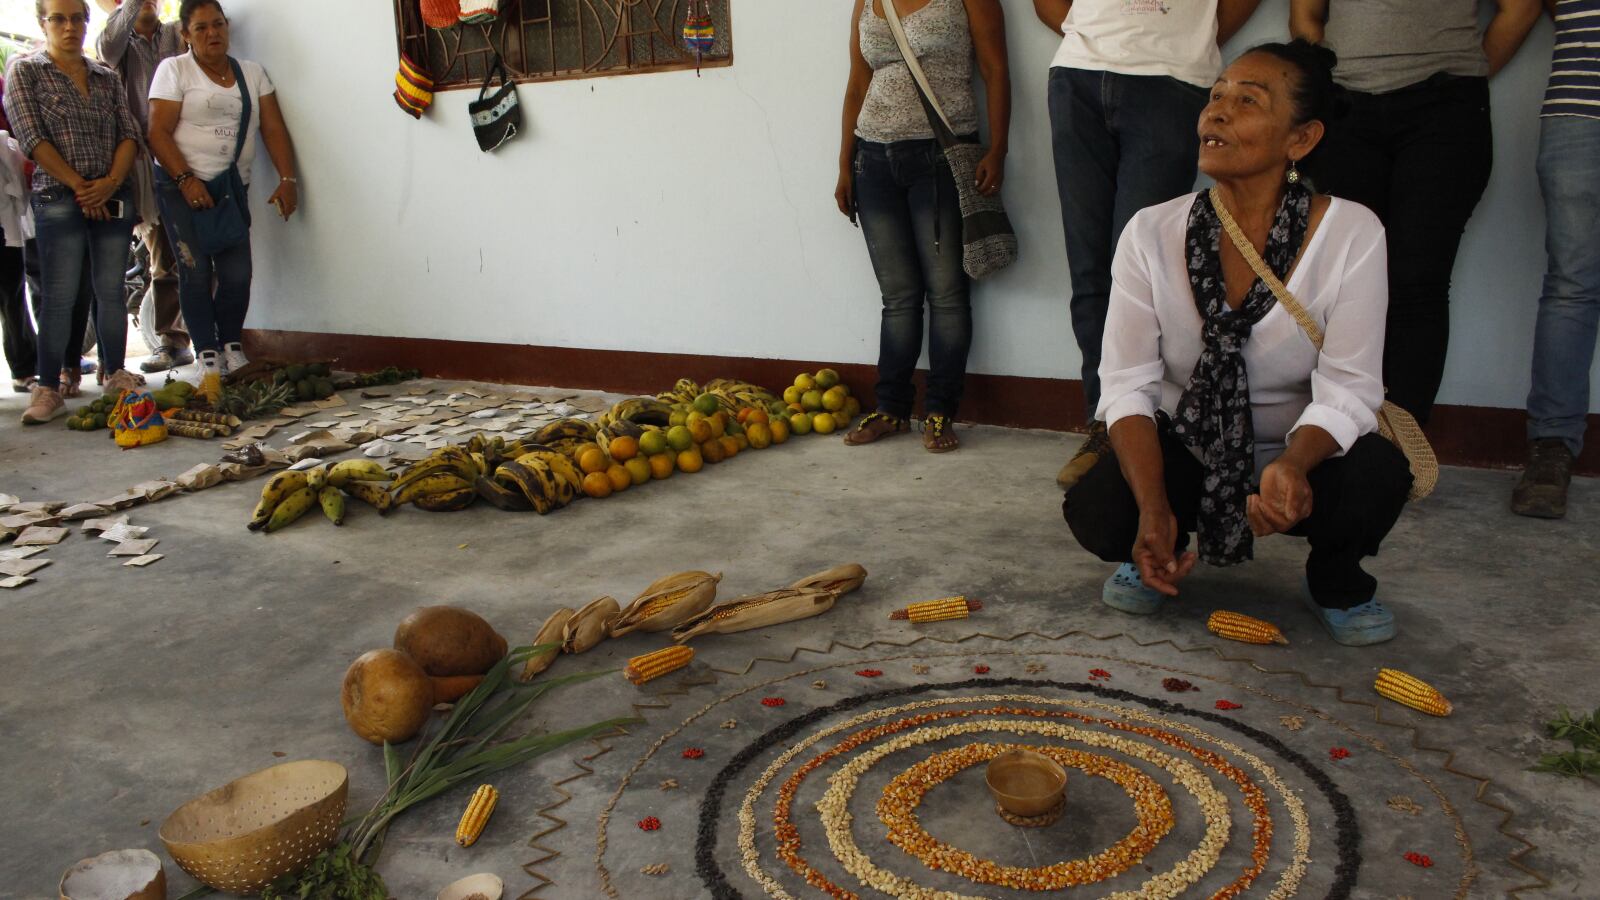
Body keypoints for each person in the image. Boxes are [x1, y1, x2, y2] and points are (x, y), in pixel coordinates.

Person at [1063, 40, 1415, 647]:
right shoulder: (1151, 232)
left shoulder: (1351, 233)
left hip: (1299, 446)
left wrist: (1296, 464)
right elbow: (1127, 385)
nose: (1216, 113)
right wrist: (1153, 505)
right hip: (1188, 442)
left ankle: (1335, 577)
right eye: (1215, 96)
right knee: (1101, 506)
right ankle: (1159, 538)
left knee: (1376, 476)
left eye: (1247, 101)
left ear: (1300, 140)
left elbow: (1351, 387)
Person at [1035, 0, 1263, 490]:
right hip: (1078, 73)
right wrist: (1091, 28)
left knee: (1148, 269)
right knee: (1090, 266)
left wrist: (1187, 35)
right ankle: (1107, 425)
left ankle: (1157, 427)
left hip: (1172, 79)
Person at [1290, 0, 1541, 427]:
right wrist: (1325, 92)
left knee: (1417, 280)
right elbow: (1306, 16)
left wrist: (1465, 73)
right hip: (1345, 109)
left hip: (1445, 109)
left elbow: (1520, 8)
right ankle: (1335, 436)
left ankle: (1400, 456)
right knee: (1344, 282)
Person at [834, 0, 1010, 453]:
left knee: (947, 293)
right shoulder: (867, 3)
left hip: (941, 156)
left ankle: (939, 411)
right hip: (873, 158)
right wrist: (845, 165)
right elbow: (858, 83)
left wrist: (998, 150)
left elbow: (995, 69)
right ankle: (890, 407)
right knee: (897, 297)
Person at [147, 0, 298, 404]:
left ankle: (232, 346)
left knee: (237, 273)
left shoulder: (252, 73)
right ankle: (207, 354)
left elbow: (273, 127)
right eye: (200, 28)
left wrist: (287, 179)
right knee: (194, 271)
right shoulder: (174, 71)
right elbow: (158, 132)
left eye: (218, 25)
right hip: (180, 188)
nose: (212, 33)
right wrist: (185, 179)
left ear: (227, 27)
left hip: (230, 189)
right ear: (185, 34)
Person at [5, 0, 143, 425]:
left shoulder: (104, 75)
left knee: (111, 289)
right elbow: (30, 135)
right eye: (58, 19)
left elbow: (129, 132)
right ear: (42, 23)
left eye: (78, 18)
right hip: (59, 196)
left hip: (111, 192)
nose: (70, 27)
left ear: (87, 22)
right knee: (59, 295)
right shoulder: (26, 70)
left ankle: (115, 371)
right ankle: (48, 387)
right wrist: (80, 186)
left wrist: (105, 185)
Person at [1512, 0, 1600, 519]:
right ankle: (1551, 450)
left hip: (1574, 115)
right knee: (1571, 285)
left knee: (1571, 286)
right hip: (1578, 112)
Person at [95, 0, 193, 374]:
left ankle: (213, 338)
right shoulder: (119, 44)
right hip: (144, 164)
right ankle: (171, 342)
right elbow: (108, 45)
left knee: (200, 251)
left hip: (188, 152)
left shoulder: (174, 31)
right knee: (164, 257)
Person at [0, 72, 35, 394]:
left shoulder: (4, 83)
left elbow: (15, 139)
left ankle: (24, 367)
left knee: (12, 291)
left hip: (5, 213)